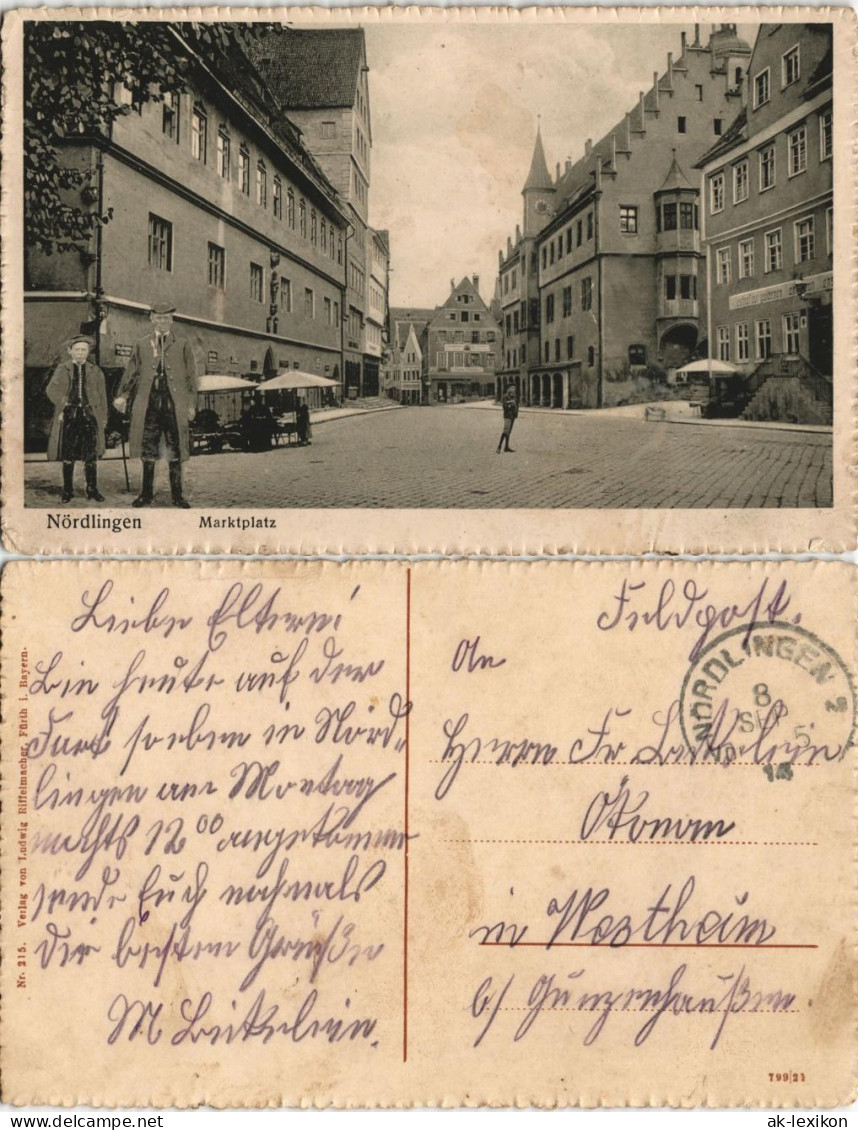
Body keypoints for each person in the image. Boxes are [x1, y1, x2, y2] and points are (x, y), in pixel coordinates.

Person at [114, 302, 199, 508]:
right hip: (149, 404)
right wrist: (123, 396)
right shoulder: (142, 343)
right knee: (148, 449)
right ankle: (145, 494)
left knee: (175, 449)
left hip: (174, 405)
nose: (162, 322)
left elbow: (191, 378)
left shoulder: (183, 344)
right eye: (158, 318)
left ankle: (178, 496)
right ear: (151, 319)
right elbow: (132, 372)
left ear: (172, 320)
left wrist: (190, 405)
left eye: (166, 318)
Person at [45, 335, 108, 503]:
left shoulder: (96, 371)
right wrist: (63, 402)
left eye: (84, 350)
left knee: (90, 455)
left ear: (88, 352)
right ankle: (67, 490)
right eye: (77, 350)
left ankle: (92, 489)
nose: (80, 353)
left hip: (89, 416)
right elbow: (51, 390)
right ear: (70, 351)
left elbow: (102, 397)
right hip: (69, 416)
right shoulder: (62, 369)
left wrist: (103, 418)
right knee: (68, 454)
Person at [497, 381, 518, 453]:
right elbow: (505, 407)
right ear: (508, 389)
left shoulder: (514, 396)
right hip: (507, 416)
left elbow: (516, 405)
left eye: (514, 388)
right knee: (505, 431)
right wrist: (511, 403)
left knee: (509, 432)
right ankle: (499, 447)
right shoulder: (505, 396)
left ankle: (506, 447)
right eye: (512, 388)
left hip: (513, 416)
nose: (514, 389)